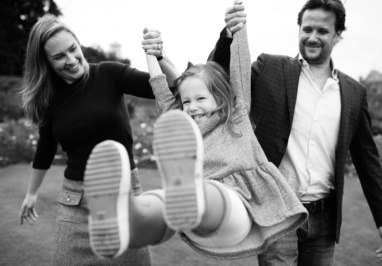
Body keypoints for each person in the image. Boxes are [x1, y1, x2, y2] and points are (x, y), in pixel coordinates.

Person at [83, 23, 308, 260]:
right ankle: (124, 225)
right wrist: (150, 54)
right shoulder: (181, 122)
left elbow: (240, 67)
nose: (192, 106)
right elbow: (159, 86)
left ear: (220, 97)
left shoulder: (236, 115)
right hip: (193, 220)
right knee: (161, 205)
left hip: (239, 208)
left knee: (203, 195)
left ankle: (191, 194)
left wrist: (238, 30)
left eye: (201, 98)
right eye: (186, 101)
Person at [210, 0, 382, 265]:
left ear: (337, 36)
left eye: (322, 31)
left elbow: (367, 160)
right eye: (307, 29)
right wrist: (229, 35)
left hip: (324, 219)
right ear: (298, 30)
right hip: (278, 211)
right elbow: (219, 78)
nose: (312, 37)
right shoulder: (270, 68)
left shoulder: (355, 93)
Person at [18, 14, 180, 265]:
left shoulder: (109, 74)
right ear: (46, 63)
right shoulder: (49, 99)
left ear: (78, 44)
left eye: (73, 49)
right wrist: (31, 193)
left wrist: (159, 56)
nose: (71, 60)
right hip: (75, 204)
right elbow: (46, 147)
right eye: (59, 57)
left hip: (124, 198)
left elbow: (169, 87)